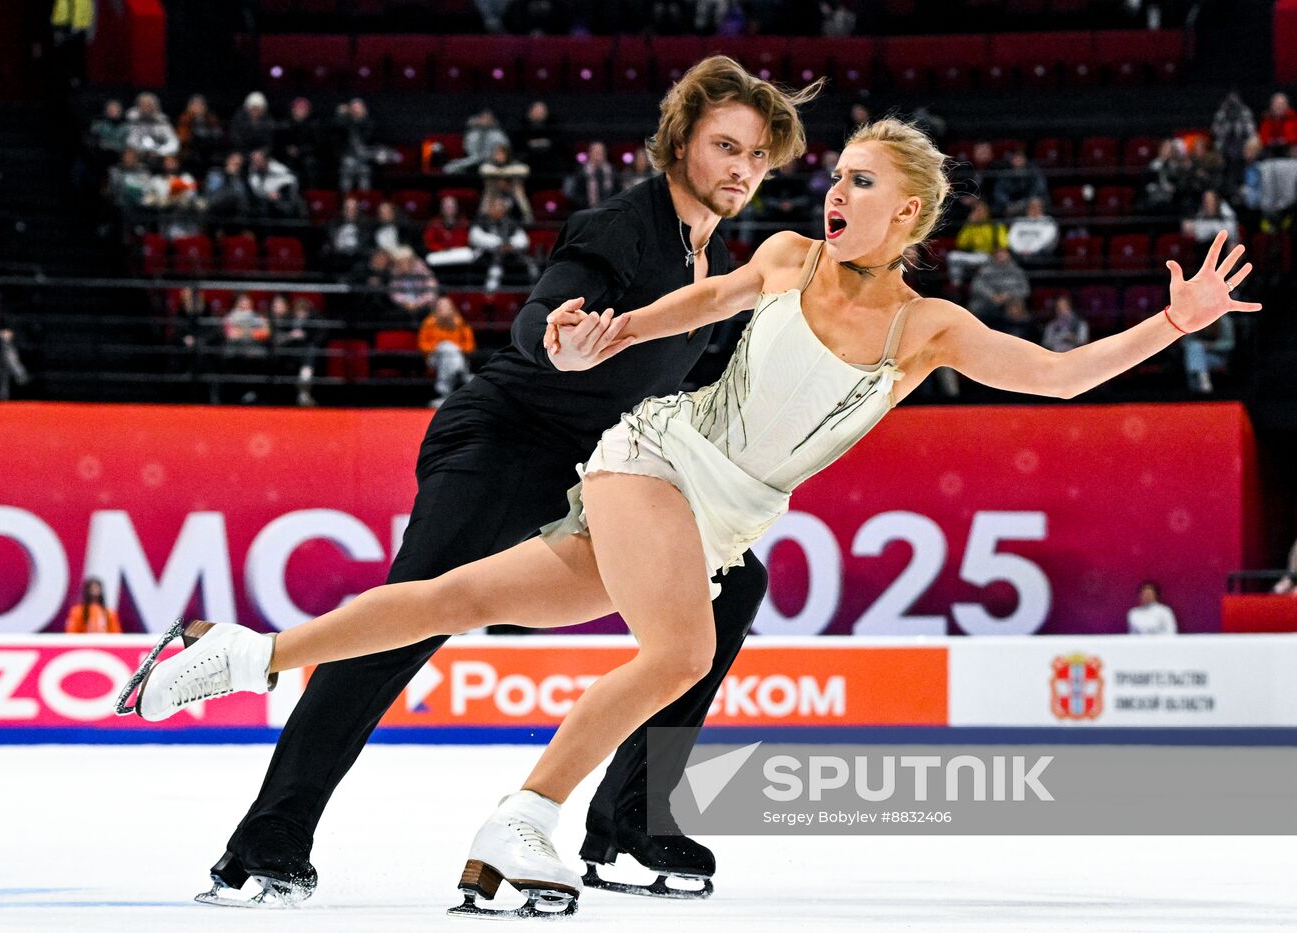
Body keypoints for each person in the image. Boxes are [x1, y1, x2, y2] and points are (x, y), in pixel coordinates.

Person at [128, 111, 1257, 914]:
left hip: (722, 514)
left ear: (908, 211)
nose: (834, 191)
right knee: (679, 649)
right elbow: (697, 299)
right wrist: (605, 334)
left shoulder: (931, 330)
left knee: (457, 597)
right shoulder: (784, 257)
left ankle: (240, 653)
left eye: (861, 182)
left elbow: (1057, 378)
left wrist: (1175, 324)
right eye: (837, 176)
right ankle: (525, 818)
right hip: (655, 457)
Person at [133, 56, 821, 911]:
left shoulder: (705, 260)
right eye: (727, 146)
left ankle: (630, 826)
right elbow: (550, 311)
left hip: (600, 470)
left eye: (757, 157)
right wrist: (556, 335)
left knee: (732, 585)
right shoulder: (623, 225)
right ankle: (265, 841)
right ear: (679, 141)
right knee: (408, 618)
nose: (743, 171)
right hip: (507, 441)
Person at [418, 295, 476, 406]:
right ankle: (464, 375)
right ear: (436, 308)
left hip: (456, 357)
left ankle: (444, 394)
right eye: (441, 306)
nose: (443, 309)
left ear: (451, 308)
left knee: (449, 351)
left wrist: (455, 348)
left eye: (446, 306)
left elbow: (470, 346)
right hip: (434, 358)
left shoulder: (460, 322)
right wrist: (440, 347)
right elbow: (423, 345)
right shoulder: (429, 323)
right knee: (446, 347)